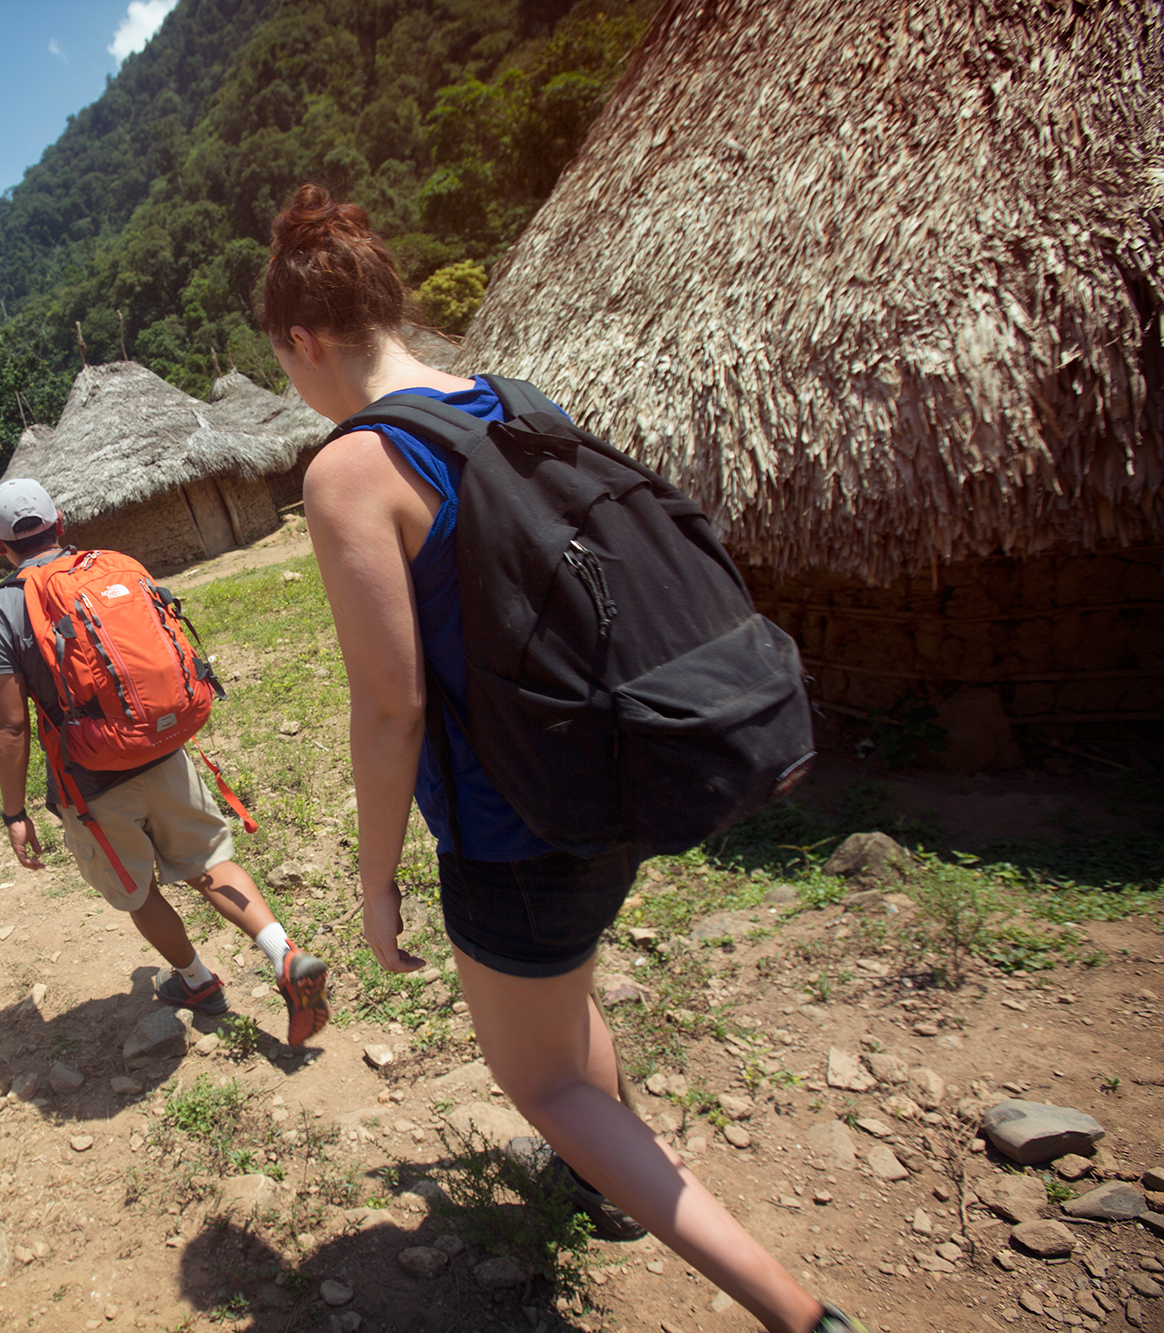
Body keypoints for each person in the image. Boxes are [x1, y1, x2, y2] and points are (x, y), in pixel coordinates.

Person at [260, 182, 868, 1333]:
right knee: (563, 989)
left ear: (302, 340)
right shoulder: (515, 400)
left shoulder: (350, 469)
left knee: (537, 1078)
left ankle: (800, 1316)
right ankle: (603, 1189)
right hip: (618, 765)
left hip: (512, 825)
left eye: (285, 362)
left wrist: (375, 876)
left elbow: (388, 711)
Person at [0, 477, 332, 1046]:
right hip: (163, 749)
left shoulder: (2, 609)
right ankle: (283, 954)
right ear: (61, 522)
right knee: (208, 861)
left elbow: (11, 724)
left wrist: (14, 812)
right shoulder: (117, 567)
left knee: (140, 892)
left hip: (92, 781)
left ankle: (196, 982)